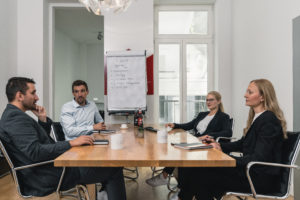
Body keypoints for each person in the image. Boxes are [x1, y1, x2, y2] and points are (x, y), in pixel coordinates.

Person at [0, 77, 126, 200]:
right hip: (48, 175)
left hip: (46, 169)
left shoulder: (13, 116)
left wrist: (43, 120)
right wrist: (71, 143)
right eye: (33, 93)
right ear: (20, 96)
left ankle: (104, 193)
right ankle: (106, 192)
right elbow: (35, 152)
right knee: (114, 167)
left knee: (106, 165)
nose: (37, 97)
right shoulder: (15, 119)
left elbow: (38, 144)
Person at [172, 79, 287, 200]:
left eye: (250, 92)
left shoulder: (268, 120)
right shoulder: (258, 117)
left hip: (259, 178)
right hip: (251, 171)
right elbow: (243, 143)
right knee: (197, 170)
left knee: (201, 175)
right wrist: (219, 145)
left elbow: (258, 158)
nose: (245, 95)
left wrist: (228, 159)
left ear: (262, 97)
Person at [146, 91, 232, 187]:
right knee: (177, 150)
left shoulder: (223, 117)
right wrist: (175, 125)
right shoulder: (202, 114)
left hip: (205, 145)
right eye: (207, 100)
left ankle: (168, 179)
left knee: (180, 153)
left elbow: (228, 132)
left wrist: (209, 135)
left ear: (219, 101)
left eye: (211, 100)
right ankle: (172, 181)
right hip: (195, 141)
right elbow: (189, 125)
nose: (208, 102)